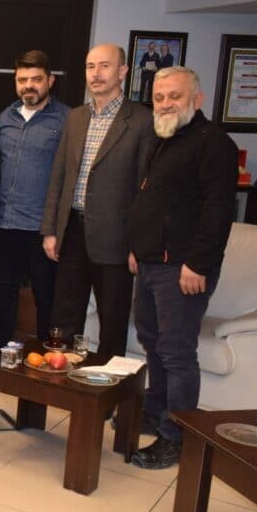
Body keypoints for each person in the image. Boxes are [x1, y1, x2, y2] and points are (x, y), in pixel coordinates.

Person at [129, 66, 237, 469]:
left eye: (174, 96)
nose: (165, 104)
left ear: (197, 99)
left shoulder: (214, 143)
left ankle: (177, 437)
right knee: (152, 341)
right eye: (159, 98)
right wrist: (138, 249)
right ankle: (155, 413)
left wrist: (198, 264)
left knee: (176, 353)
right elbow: (152, 202)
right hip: (151, 263)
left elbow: (218, 211)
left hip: (183, 269)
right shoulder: (165, 137)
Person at [41, 43, 154, 357]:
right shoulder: (76, 117)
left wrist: (138, 243)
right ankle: (62, 379)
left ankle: (107, 386)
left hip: (116, 238)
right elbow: (59, 176)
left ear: (123, 71)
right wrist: (50, 230)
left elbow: (145, 190)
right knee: (64, 320)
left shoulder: (142, 121)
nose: (96, 73)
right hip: (72, 233)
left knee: (112, 324)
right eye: (91, 66)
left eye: (105, 66)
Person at [0, 50, 70, 350]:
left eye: (36, 79)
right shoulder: (5, 116)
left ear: (50, 80)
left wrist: (55, 229)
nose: (28, 86)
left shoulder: (67, 119)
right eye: (22, 80)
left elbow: (68, 177)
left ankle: (45, 361)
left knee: (46, 298)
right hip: (4, 224)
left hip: (41, 228)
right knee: (3, 295)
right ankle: (0, 357)